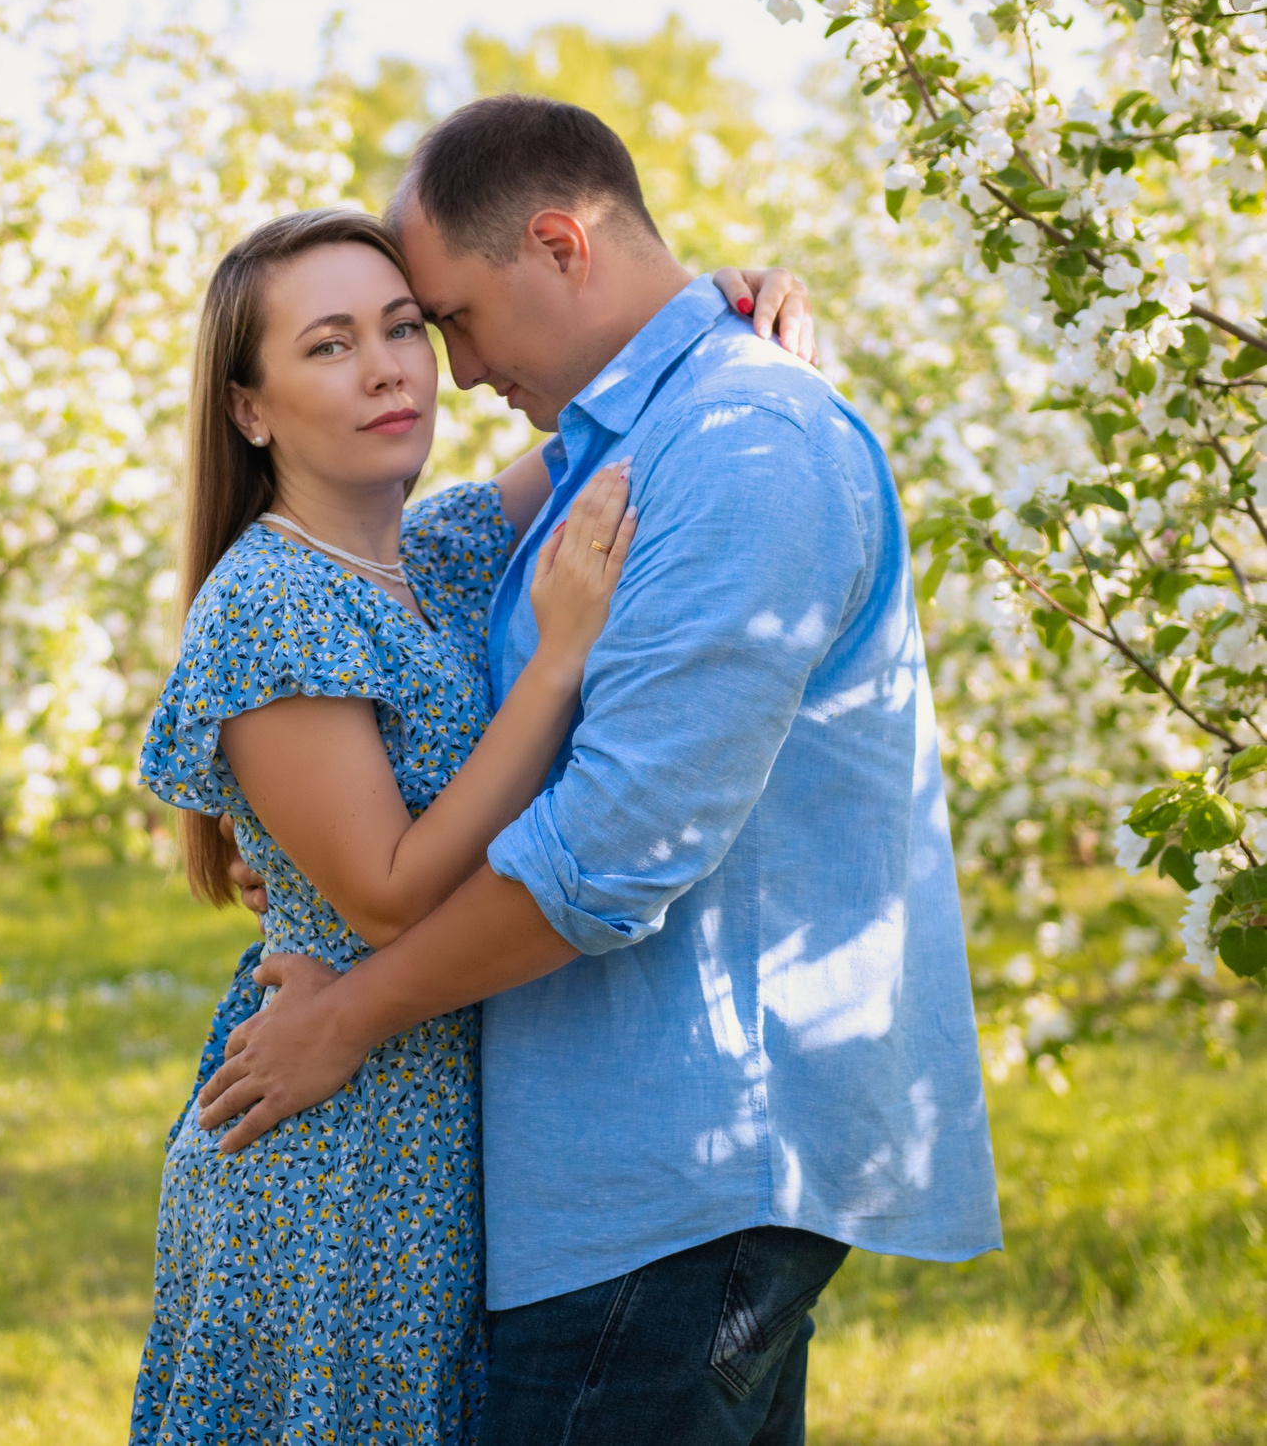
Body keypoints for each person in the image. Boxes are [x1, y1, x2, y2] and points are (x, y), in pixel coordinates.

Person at [195, 96, 1003, 1446]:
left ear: (559, 245)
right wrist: (721, 303)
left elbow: (610, 848)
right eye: (355, 339)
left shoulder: (743, 447)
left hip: (682, 1159)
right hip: (601, 1167)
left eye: (434, 319)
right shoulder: (615, 447)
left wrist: (352, 1015)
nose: (439, 373)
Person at [128, 203, 813, 1445]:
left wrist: (715, 306)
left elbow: (621, 407)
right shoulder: (269, 604)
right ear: (249, 407)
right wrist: (556, 663)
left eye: (403, 326)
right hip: (332, 1155)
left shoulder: (429, 551)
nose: (391, 365)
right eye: (329, 346)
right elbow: (386, 893)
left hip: (435, 1127)